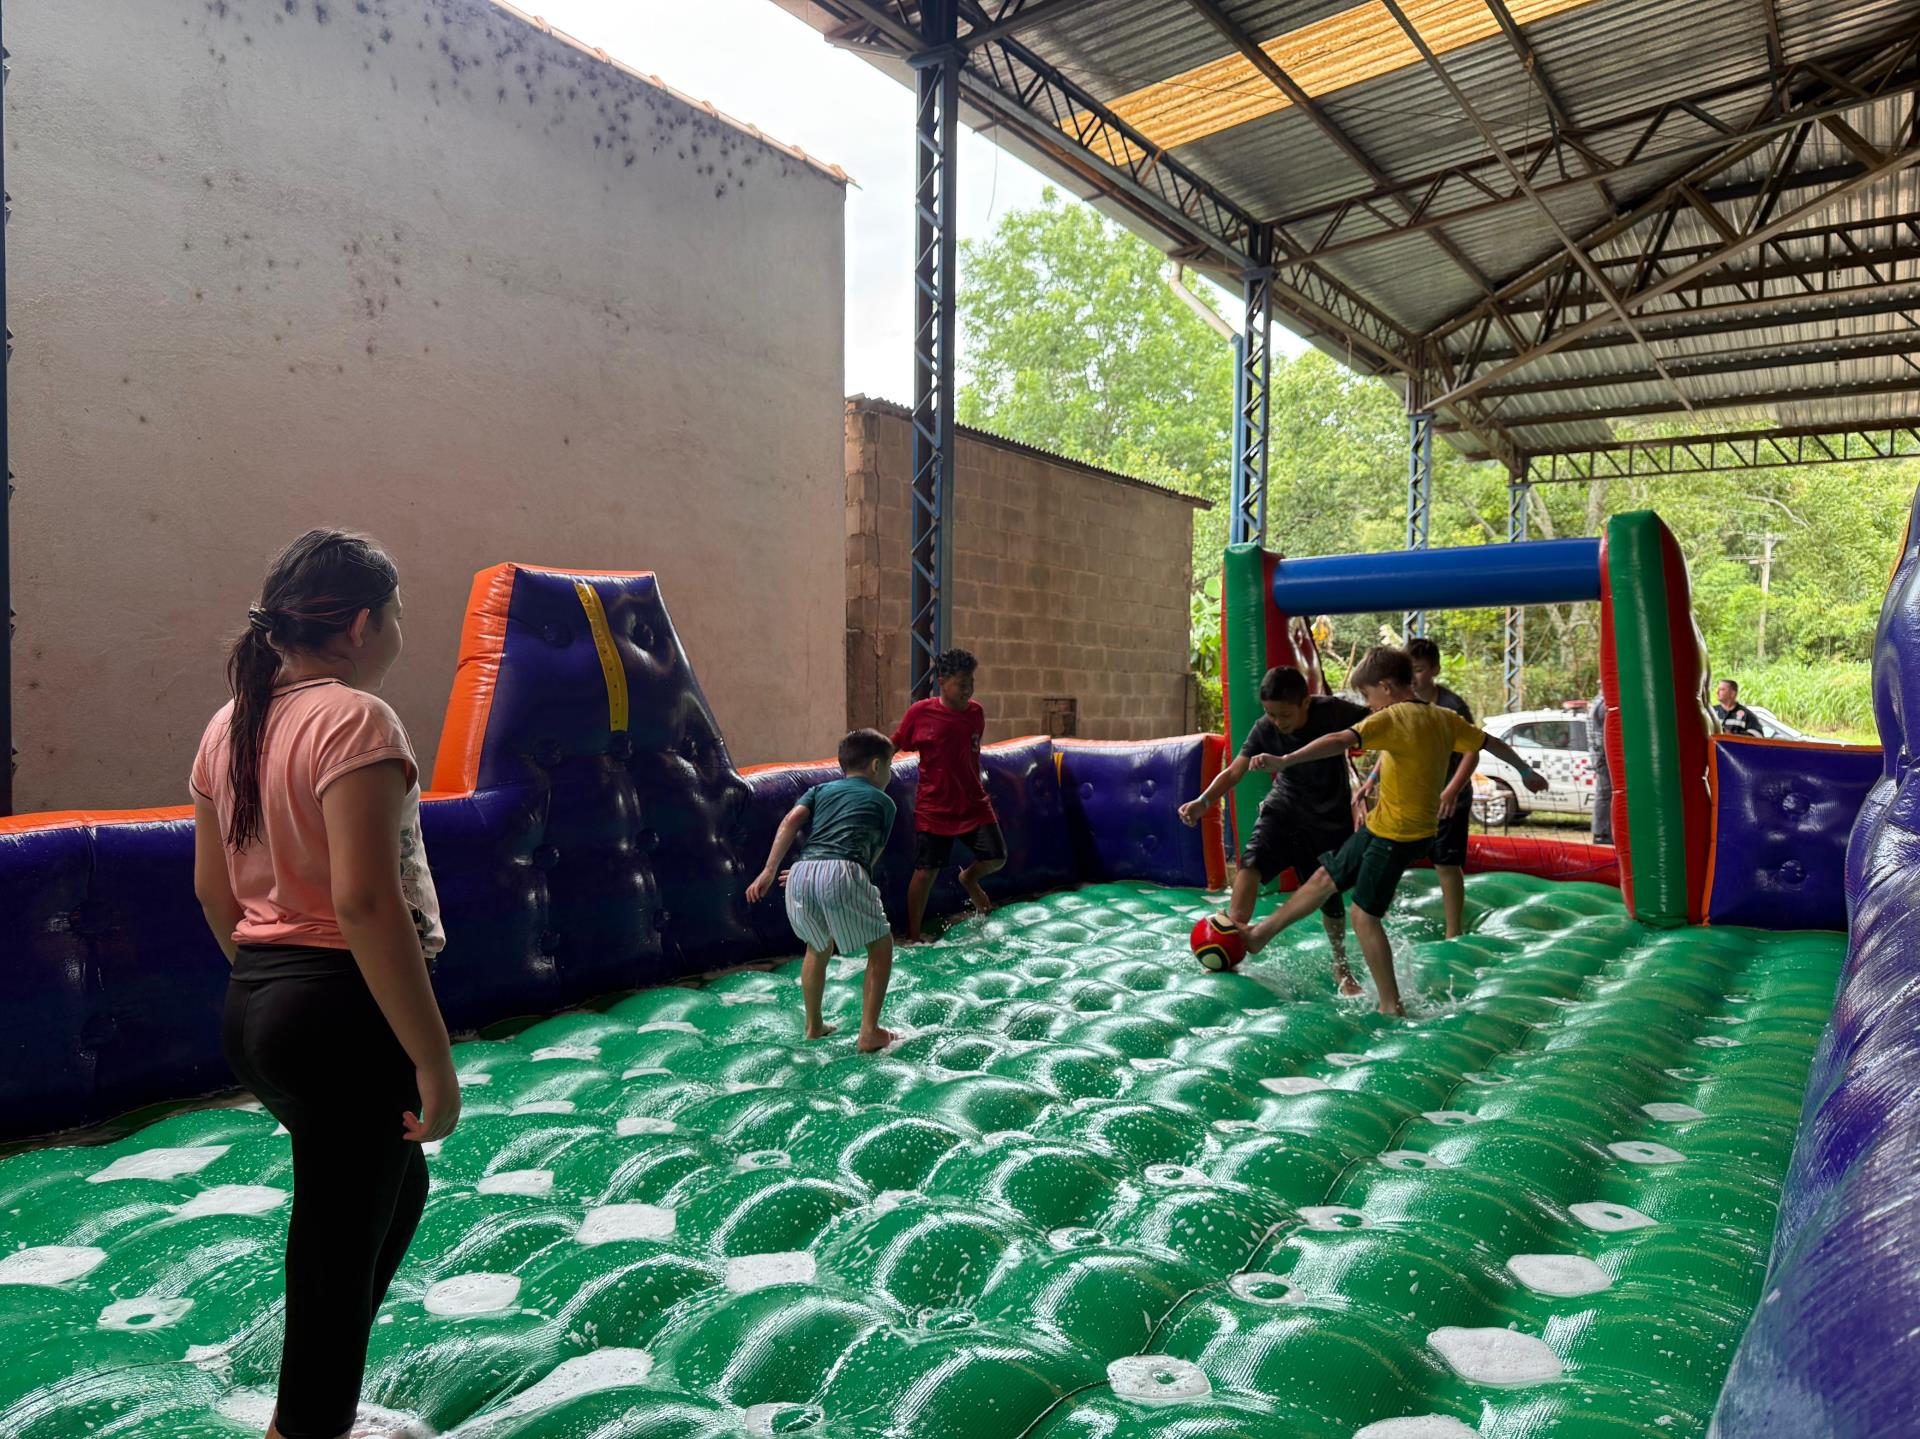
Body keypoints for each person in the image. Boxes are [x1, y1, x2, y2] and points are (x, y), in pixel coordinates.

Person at [190, 530, 456, 1439]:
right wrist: (434, 1061)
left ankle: (321, 1365)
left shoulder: (232, 722)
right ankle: (304, 1421)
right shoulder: (355, 718)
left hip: (258, 997)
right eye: (398, 616)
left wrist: (272, 988)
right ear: (361, 622)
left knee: (394, 1186)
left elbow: (211, 888)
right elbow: (366, 899)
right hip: (337, 1003)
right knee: (337, 1247)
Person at [1230, 646, 1549, 1015]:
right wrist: (1525, 771)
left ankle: (1390, 1004)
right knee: (1323, 878)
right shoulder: (1445, 719)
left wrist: (1286, 759)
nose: (1370, 705)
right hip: (1393, 827)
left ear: (1385, 687)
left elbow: (1339, 741)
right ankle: (1258, 935)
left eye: (1368, 696)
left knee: (1364, 916)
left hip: (1396, 835)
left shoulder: (1393, 718)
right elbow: (1488, 742)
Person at [1177, 665, 1369, 995]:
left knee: (1330, 899)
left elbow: (1381, 722)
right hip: (1284, 807)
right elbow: (1235, 771)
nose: (1277, 723)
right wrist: (1203, 800)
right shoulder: (1265, 727)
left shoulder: (1333, 712)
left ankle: (1341, 965)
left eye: (1283, 715)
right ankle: (1235, 937)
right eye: (1270, 714)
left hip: (1329, 819)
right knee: (1251, 863)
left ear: (1305, 702)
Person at [747, 729, 899, 1052]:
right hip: (843, 869)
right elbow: (871, 852)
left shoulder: (820, 789)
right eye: (890, 766)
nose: (890, 773)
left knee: (817, 947)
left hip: (801, 872)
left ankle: (813, 1025)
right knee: (881, 946)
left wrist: (769, 870)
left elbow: (790, 821)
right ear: (876, 766)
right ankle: (869, 1031)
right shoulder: (884, 802)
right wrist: (846, 877)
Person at [891, 648, 1005, 942]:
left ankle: (969, 878)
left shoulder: (976, 713)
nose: (968, 689)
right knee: (926, 871)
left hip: (973, 802)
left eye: (971, 683)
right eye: (962, 683)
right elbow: (894, 745)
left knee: (996, 856)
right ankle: (914, 933)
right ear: (942, 681)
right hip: (935, 805)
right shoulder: (920, 713)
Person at [1406, 637, 1479, 939]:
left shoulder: (1452, 706)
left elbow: (1472, 752)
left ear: (1434, 669)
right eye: (1409, 669)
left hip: (1451, 797)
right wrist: (1371, 782)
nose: (1414, 676)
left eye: (1420, 669)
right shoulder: (1404, 703)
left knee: (1446, 864)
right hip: (1418, 796)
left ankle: (1453, 930)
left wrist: (1450, 791)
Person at [1588, 691, 1613, 844]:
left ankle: (1602, 832)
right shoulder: (1604, 705)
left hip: (1600, 755)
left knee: (1605, 793)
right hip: (1603, 756)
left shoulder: (1597, 702)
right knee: (1605, 793)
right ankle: (1602, 833)